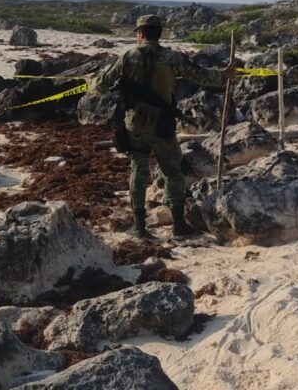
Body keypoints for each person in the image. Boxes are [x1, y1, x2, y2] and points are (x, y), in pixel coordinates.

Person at [93, 15, 233, 239]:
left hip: (135, 125)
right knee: (172, 173)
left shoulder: (128, 56)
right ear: (159, 34)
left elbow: (101, 85)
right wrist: (225, 76)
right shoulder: (171, 57)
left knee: (138, 172)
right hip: (163, 124)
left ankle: (139, 226)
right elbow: (201, 75)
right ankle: (178, 225)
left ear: (140, 33)